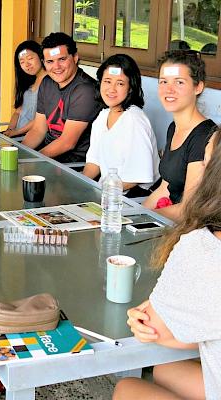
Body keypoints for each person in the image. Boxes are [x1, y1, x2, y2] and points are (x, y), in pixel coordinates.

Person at [113, 130, 221, 400]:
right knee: (165, 369)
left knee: (127, 388)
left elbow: (153, 329)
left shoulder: (202, 247)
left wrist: (145, 316)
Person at [142, 50, 216, 222]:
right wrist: (131, 216)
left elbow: (189, 209)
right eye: (163, 82)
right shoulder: (174, 127)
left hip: (192, 229)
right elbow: (165, 187)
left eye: (179, 82)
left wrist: (143, 218)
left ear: (198, 87)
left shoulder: (205, 137)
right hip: (170, 220)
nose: (169, 89)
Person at [83, 54, 160, 197]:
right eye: (107, 81)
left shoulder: (134, 119)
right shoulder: (103, 116)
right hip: (109, 192)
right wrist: (80, 186)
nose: (111, 89)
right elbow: (94, 162)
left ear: (130, 88)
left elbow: (136, 178)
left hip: (134, 197)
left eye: (120, 83)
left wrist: (100, 191)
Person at [22, 32, 99, 162]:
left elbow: (67, 142)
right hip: (46, 159)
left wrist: (31, 161)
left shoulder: (86, 90)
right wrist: (19, 155)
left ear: (75, 57)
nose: (56, 67)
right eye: (50, 61)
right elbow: (38, 130)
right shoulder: (47, 82)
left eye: (62, 59)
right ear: (44, 63)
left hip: (71, 168)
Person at [3, 40, 47, 138]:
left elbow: (42, 119)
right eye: (22, 62)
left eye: (30, 58)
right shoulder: (30, 82)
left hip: (32, 138)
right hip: (17, 136)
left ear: (41, 56)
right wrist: (10, 130)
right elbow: (18, 112)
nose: (27, 64)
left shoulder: (49, 83)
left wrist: (16, 132)